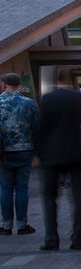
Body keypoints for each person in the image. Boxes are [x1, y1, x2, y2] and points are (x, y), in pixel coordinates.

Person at [35, 75, 81, 250]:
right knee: (77, 198)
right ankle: (77, 239)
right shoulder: (76, 97)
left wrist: (39, 151)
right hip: (74, 151)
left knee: (49, 198)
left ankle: (51, 239)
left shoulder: (47, 99)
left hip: (51, 154)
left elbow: (41, 126)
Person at [0, 72, 41, 236]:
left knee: (5, 188)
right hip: (25, 149)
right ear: (19, 85)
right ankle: (22, 224)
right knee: (22, 187)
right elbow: (37, 127)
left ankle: (6, 225)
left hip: (2, 152)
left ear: (3, 84)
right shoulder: (29, 103)